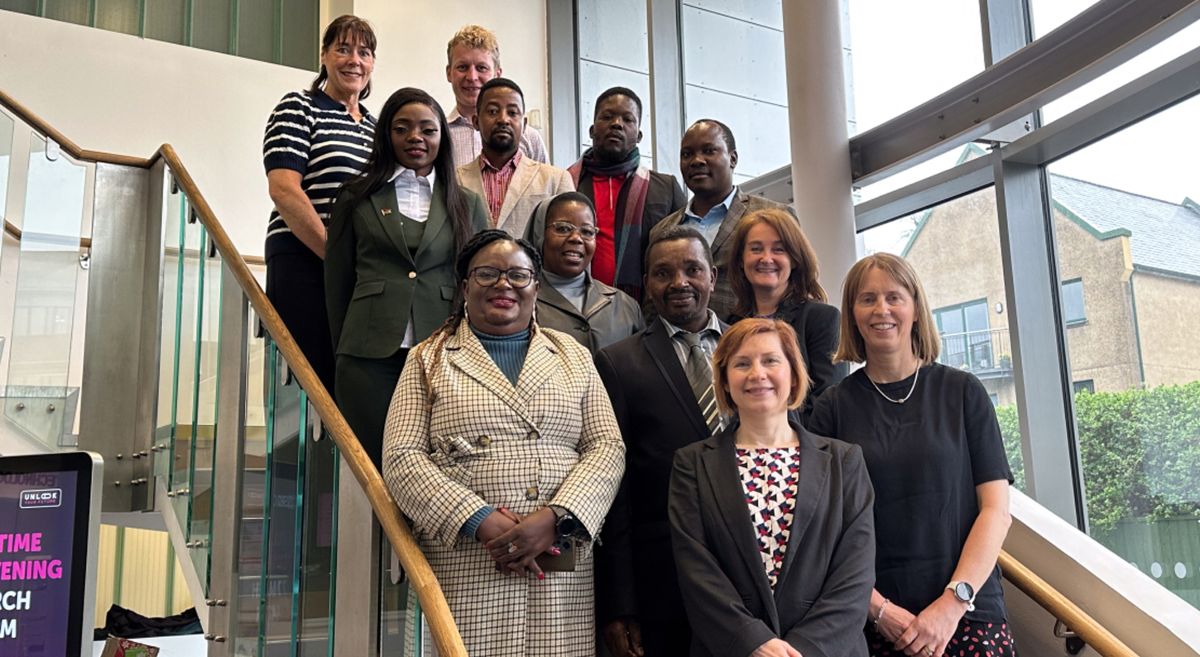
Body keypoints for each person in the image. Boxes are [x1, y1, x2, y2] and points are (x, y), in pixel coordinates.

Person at [382, 229, 625, 656]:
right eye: (488, 273)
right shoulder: (427, 357)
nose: (503, 285)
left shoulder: (573, 354)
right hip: (467, 562)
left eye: (518, 275)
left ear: (536, 286)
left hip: (560, 566)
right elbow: (402, 459)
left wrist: (558, 516)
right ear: (464, 286)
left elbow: (607, 447)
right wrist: (479, 520)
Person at [809, 253, 1016, 657]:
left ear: (916, 308)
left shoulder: (963, 392)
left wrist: (953, 604)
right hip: (880, 626)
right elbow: (819, 531)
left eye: (894, 297)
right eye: (867, 299)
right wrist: (879, 610)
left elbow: (996, 511)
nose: (881, 309)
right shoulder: (831, 409)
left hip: (969, 613)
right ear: (851, 314)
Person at [669, 318, 875, 657]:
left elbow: (855, 572)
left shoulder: (844, 461)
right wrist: (755, 643)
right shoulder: (691, 465)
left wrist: (803, 649)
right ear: (724, 379)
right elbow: (697, 571)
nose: (757, 374)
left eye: (770, 360)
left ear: (793, 373)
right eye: (742, 364)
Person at [325, 87, 487, 466]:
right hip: (368, 356)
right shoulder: (355, 196)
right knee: (371, 465)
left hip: (443, 354)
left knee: (433, 465)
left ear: (441, 138)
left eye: (428, 130)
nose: (416, 137)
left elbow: (478, 281)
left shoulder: (467, 203)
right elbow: (337, 282)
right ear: (387, 135)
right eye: (403, 128)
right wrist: (341, 349)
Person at [594, 226, 725, 657]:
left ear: (713, 276)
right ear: (647, 284)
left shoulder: (755, 347)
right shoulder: (618, 363)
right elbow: (615, 490)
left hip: (754, 570)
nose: (679, 283)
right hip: (663, 579)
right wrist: (620, 604)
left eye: (692, 270)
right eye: (663, 273)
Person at [263, 14, 377, 392]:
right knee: (308, 382)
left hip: (357, 271)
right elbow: (284, 189)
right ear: (324, 55)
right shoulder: (299, 107)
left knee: (349, 380)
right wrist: (334, 253)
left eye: (364, 52)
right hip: (303, 261)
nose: (354, 60)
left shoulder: (376, 128)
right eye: (343, 49)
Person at [649, 119, 798, 319]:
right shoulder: (662, 231)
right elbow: (652, 302)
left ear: (733, 158)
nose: (697, 160)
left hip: (753, 340)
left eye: (709, 151)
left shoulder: (773, 215)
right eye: (687, 154)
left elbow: (799, 286)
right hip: (678, 346)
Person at [560, 87, 686, 301]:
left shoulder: (666, 188)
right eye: (607, 117)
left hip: (646, 310)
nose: (616, 124)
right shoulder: (565, 184)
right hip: (573, 305)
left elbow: (683, 254)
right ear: (592, 130)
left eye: (627, 119)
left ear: (638, 135)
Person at [726, 207, 847, 421]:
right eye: (756, 249)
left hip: (805, 448)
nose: (766, 258)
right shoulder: (728, 326)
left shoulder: (822, 319)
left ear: (795, 259)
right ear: (740, 261)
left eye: (779, 250)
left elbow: (827, 403)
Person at [457, 78, 574, 236]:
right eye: (492, 111)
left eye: (512, 113)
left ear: (524, 124)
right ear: (476, 122)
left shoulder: (556, 180)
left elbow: (569, 242)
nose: (503, 119)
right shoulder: (454, 180)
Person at [530, 192, 643, 353]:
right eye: (563, 228)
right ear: (540, 234)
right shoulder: (523, 303)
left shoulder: (625, 304)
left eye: (587, 232)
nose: (576, 238)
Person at [445, 24, 549, 167]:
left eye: (482, 68)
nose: (472, 77)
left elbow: (548, 186)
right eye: (462, 67)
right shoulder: (439, 136)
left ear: (497, 74)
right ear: (449, 73)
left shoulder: (530, 139)